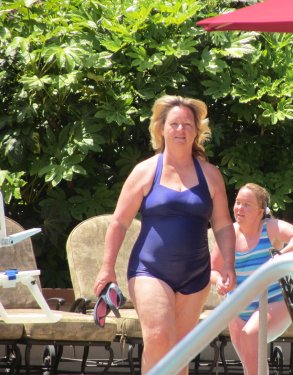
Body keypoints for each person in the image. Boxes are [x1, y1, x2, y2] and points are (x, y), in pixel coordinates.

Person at [93, 95, 236, 375]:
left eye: (187, 124)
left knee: (181, 350)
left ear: (197, 130)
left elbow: (222, 224)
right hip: (150, 270)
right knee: (159, 338)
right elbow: (120, 222)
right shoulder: (145, 171)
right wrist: (106, 268)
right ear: (161, 129)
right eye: (174, 124)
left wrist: (228, 263)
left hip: (196, 274)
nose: (181, 130)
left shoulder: (211, 174)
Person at [210, 183, 293, 375]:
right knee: (251, 367)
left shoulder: (270, 228)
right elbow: (212, 269)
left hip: (273, 302)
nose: (239, 208)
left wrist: (279, 257)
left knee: (251, 335)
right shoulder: (227, 234)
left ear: (260, 211)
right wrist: (219, 280)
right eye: (238, 202)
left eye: (247, 204)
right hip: (238, 306)